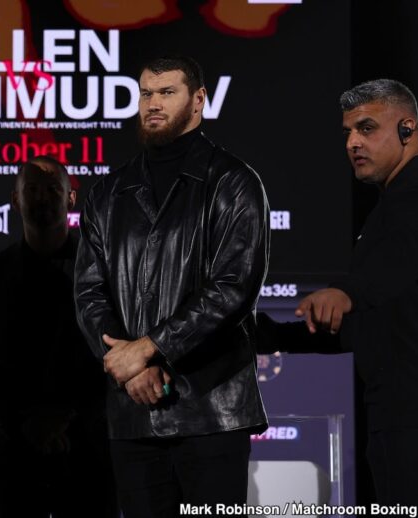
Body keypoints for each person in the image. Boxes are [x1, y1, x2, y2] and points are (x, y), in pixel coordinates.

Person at [74, 54, 270, 516]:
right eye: (146, 93)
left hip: (212, 410)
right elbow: (89, 293)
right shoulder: (107, 192)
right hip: (134, 412)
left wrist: (148, 349)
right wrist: (130, 368)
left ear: (198, 100)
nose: (153, 103)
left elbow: (233, 288)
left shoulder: (233, 182)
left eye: (167, 92)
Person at [257, 78, 418, 508]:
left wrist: (346, 291)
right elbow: (373, 322)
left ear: (407, 128)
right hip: (395, 415)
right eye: (348, 132)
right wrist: (277, 336)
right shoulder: (390, 205)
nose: (352, 143)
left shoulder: (415, 196)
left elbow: (403, 257)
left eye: (367, 128)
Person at [0, 156, 118, 518]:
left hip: (88, 451)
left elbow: (119, 355)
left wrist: (69, 416)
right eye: (31, 189)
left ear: (71, 198)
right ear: (15, 199)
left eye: (52, 189)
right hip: (8, 452)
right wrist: (22, 422)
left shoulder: (106, 276)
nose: (42, 198)